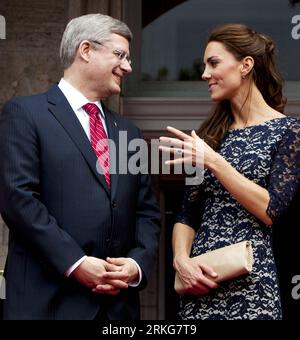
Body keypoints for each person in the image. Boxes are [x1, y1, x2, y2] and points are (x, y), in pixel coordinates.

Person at [0, 13, 160, 320]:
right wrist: (75, 262)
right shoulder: (26, 113)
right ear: (85, 50)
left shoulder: (129, 133)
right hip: (47, 302)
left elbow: (147, 212)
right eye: (120, 55)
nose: (128, 66)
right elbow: (18, 199)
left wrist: (136, 264)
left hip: (117, 309)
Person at [159, 23, 299, 320]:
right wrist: (181, 261)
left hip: (252, 285)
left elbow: (270, 209)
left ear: (246, 65)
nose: (204, 74)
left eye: (213, 63)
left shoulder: (288, 132)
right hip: (200, 281)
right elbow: (187, 214)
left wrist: (213, 161)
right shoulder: (209, 135)